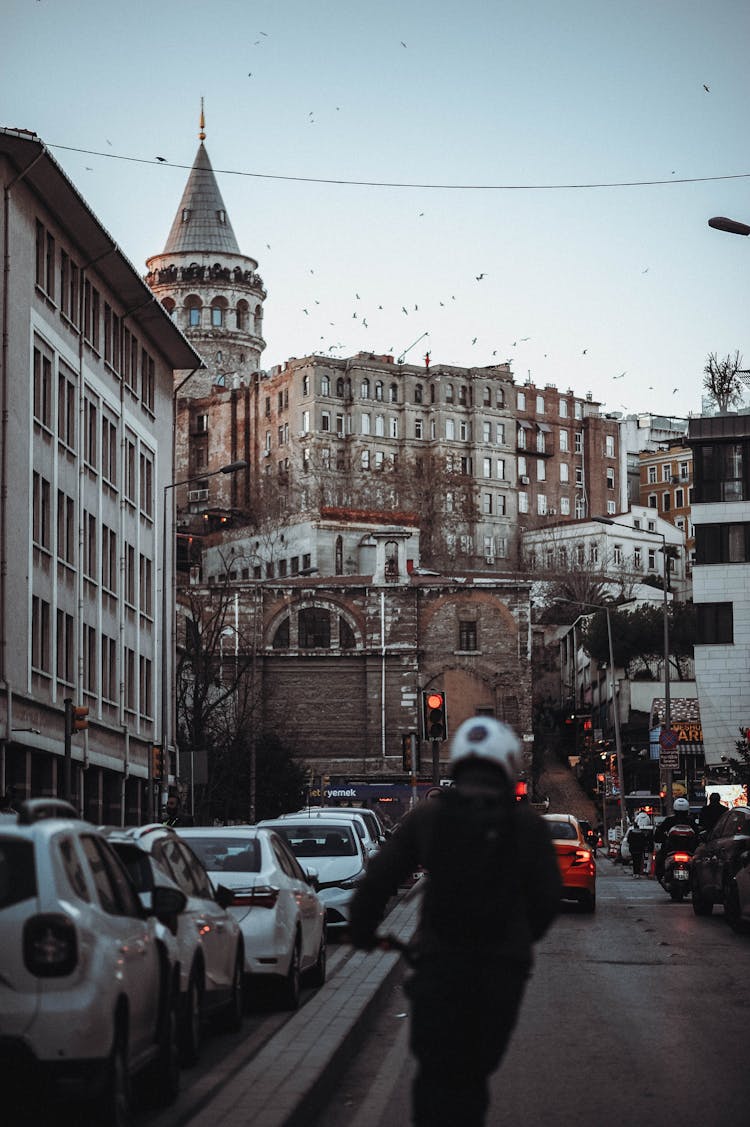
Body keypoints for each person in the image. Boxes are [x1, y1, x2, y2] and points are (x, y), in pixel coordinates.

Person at [348, 716, 562, 1127]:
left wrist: (363, 932)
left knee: (437, 1073)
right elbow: (546, 898)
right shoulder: (527, 826)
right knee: (473, 1074)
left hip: (439, 965)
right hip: (501, 972)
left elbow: (379, 879)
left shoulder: (429, 818)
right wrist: (517, 940)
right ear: (507, 764)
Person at [654, 797, 696, 881]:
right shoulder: (690, 821)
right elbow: (697, 834)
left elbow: (659, 833)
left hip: (673, 850)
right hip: (686, 850)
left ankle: (660, 877)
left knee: (659, 858)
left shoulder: (670, 820)